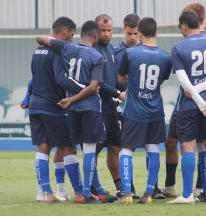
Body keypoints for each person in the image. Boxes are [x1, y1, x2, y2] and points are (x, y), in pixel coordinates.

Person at [36, 20, 109, 204]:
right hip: (89, 106)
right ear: (96, 35)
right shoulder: (97, 56)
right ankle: (85, 192)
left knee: (71, 148)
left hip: (72, 110)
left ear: (81, 33)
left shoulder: (67, 48)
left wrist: (70, 100)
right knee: (89, 150)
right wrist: (74, 98)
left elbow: (39, 38)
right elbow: (93, 87)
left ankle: (69, 190)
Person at [167, 10, 206, 204]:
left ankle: (187, 195)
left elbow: (183, 80)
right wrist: (204, 97)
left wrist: (196, 96)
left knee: (187, 149)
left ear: (184, 26)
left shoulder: (179, 47)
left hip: (189, 105)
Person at [28, 17, 84, 203]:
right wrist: (83, 88)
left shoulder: (38, 50)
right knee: (68, 147)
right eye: (72, 33)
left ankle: (44, 192)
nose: (72, 38)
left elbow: (34, 77)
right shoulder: (56, 51)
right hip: (53, 107)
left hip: (36, 106)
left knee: (43, 147)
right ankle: (79, 192)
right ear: (65, 31)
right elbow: (61, 79)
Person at [118, 17, 172, 204]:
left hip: (133, 111)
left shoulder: (130, 53)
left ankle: (126, 193)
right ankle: (149, 193)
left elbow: (122, 75)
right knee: (153, 148)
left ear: (139, 32)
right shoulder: (166, 57)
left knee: (126, 149)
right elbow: (161, 79)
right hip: (155, 110)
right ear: (157, 32)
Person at [93, 14, 129, 199]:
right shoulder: (92, 50)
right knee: (96, 148)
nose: (106, 34)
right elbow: (98, 83)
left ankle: (120, 187)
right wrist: (118, 93)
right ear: (95, 30)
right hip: (97, 107)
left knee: (115, 146)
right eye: (102, 30)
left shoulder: (110, 50)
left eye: (109, 30)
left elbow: (113, 79)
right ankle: (92, 186)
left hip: (111, 106)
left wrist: (127, 88)